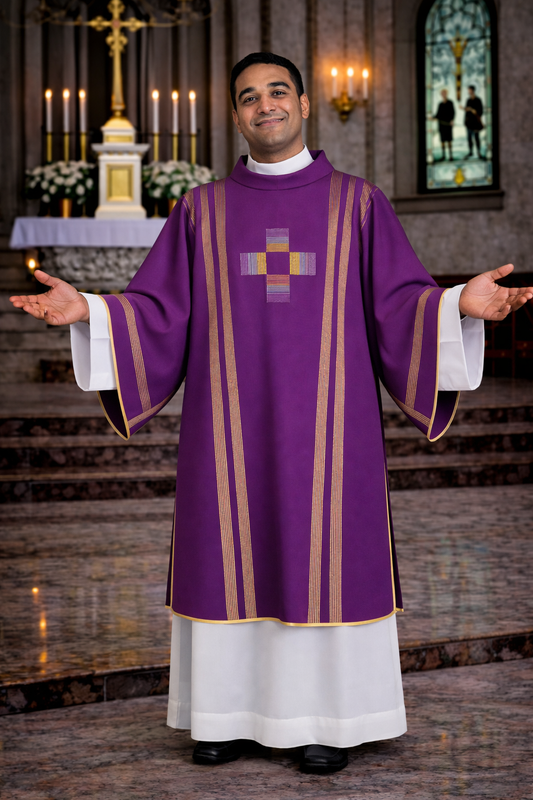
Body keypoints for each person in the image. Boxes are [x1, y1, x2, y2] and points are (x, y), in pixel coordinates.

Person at [10, 52, 532, 775]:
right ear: (236, 115)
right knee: (225, 550)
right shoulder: (202, 209)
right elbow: (159, 310)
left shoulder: (358, 203)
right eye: (248, 97)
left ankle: (328, 719)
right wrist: (91, 312)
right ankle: (222, 716)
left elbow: (398, 305)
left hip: (331, 432)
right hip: (226, 433)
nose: (264, 106)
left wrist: (454, 305)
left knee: (324, 549)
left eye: (276, 91)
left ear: (304, 103)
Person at [461, 85, 484, 158]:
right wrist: (464, 109)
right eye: (468, 90)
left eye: (469, 90)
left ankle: (478, 152)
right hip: (469, 123)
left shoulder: (478, 100)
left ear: (473, 91)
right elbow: (467, 111)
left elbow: (481, 111)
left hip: (476, 123)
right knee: (469, 139)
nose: (468, 92)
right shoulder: (468, 100)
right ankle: (470, 152)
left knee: (477, 138)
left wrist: (475, 111)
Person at [434, 88, 455, 161]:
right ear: (441, 95)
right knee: (442, 141)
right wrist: (433, 118)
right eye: (442, 93)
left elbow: (453, 112)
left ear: (447, 94)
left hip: (448, 125)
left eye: (444, 93)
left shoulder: (450, 103)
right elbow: (437, 115)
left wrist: (452, 120)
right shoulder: (440, 104)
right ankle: (443, 155)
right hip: (441, 125)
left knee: (449, 140)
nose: (443, 94)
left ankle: (450, 156)